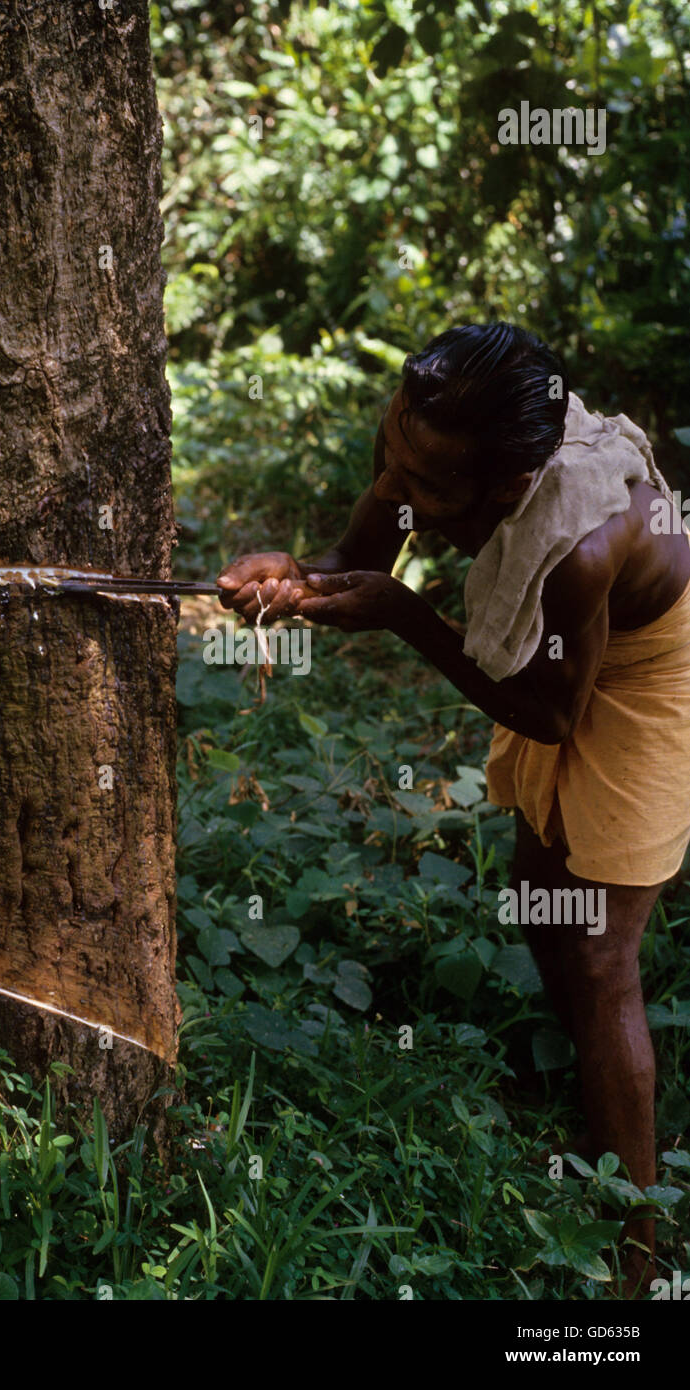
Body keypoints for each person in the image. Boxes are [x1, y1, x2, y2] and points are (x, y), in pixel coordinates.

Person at [216, 321, 690, 1298]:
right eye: (394, 447)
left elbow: (551, 713)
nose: (398, 483)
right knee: (536, 890)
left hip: (646, 664)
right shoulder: (433, 450)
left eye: (426, 484)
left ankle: (639, 1260)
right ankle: (605, 1125)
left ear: (507, 489)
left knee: (601, 953)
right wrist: (293, 580)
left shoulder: (584, 547)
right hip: (565, 658)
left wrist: (405, 620)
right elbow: (365, 548)